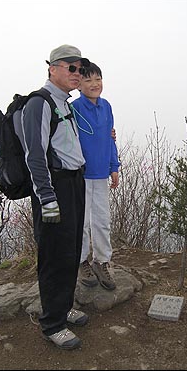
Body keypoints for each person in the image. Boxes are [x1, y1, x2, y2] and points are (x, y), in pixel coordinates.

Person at [13, 44, 90, 350]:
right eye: (71, 67)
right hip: (54, 187)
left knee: (71, 250)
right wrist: (46, 197)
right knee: (54, 255)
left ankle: (63, 306)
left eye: (80, 68)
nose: (77, 73)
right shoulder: (40, 103)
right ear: (52, 68)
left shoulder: (65, 104)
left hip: (74, 183)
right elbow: (35, 155)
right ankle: (52, 324)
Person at [70, 62, 120, 291]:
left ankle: (102, 261)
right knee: (82, 222)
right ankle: (81, 261)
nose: (94, 84)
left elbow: (110, 139)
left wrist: (114, 167)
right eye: (88, 80)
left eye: (98, 79)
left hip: (101, 174)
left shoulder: (107, 106)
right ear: (78, 84)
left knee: (102, 221)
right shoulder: (74, 108)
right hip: (80, 174)